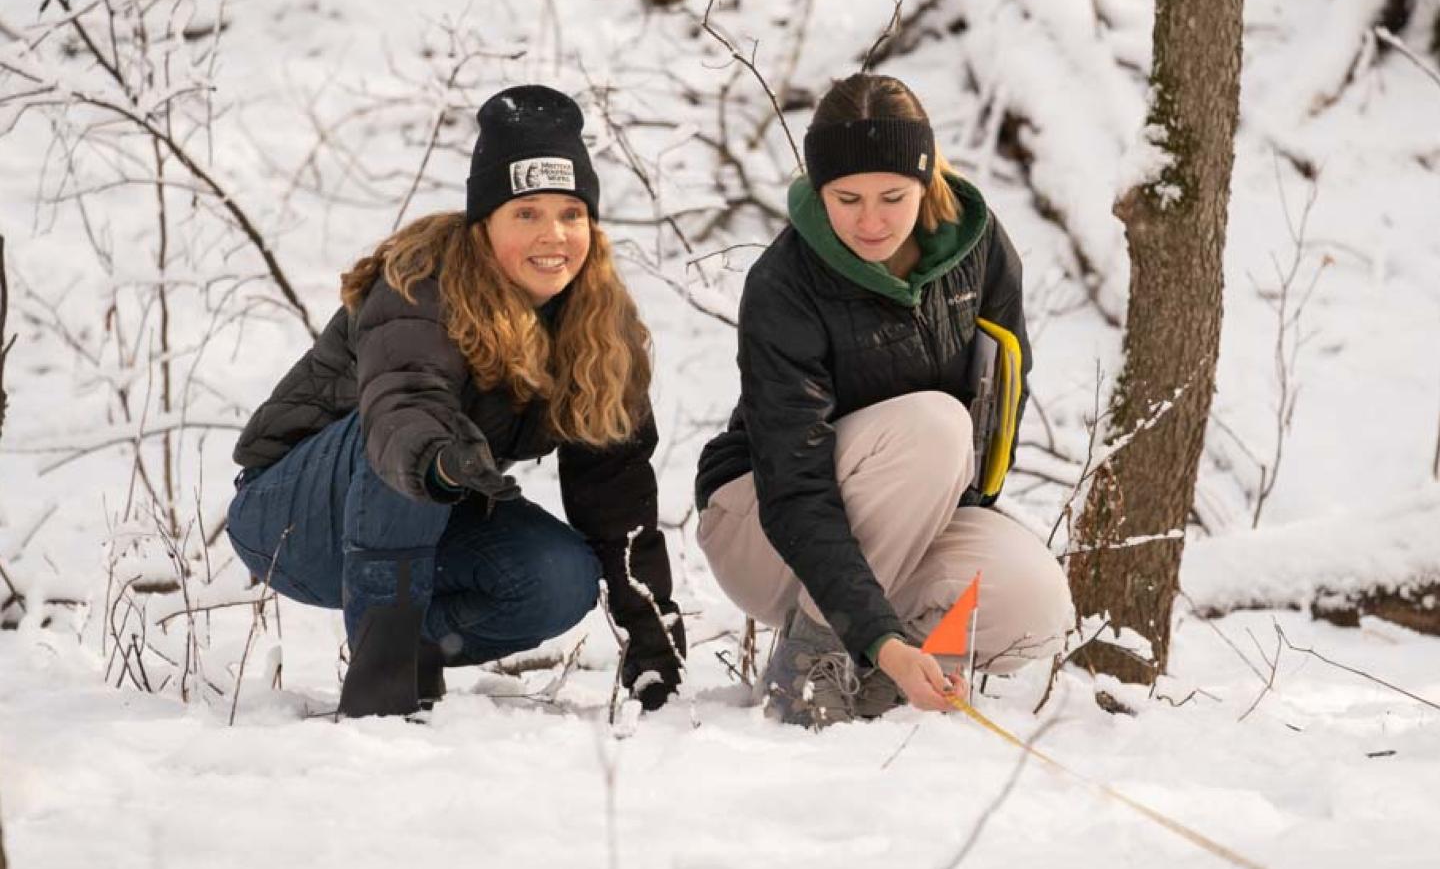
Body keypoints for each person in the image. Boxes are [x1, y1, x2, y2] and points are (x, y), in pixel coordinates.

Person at [227, 85, 685, 718]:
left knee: (560, 579)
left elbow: (616, 491)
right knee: (405, 446)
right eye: (525, 214)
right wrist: (439, 459)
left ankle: (416, 646)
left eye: (570, 214)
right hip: (292, 517)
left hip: (431, 510)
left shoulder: (599, 325)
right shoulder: (421, 280)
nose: (553, 235)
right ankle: (382, 684)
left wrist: (653, 645)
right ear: (484, 222)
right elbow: (404, 402)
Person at [694, 73, 1072, 729]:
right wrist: (877, 631)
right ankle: (813, 661)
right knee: (933, 425)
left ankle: (876, 678)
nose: (871, 221)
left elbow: (1000, 403)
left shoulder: (978, 253)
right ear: (819, 191)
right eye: (847, 199)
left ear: (926, 181)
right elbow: (797, 484)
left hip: (905, 520)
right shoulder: (784, 283)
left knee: (1033, 604)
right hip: (763, 525)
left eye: (893, 197)